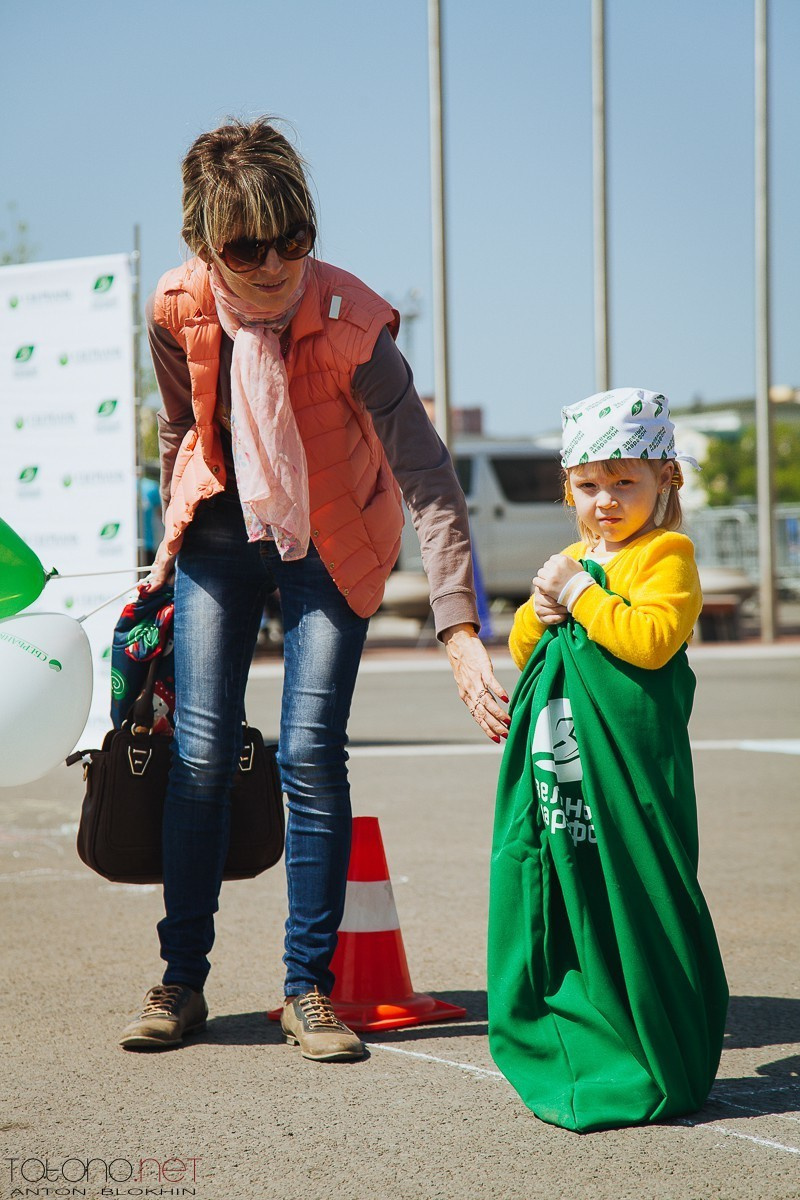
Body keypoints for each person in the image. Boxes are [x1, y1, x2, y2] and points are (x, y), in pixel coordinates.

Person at [119, 117, 509, 1059]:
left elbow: (427, 477)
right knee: (202, 755)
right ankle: (181, 980)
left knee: (308, 749)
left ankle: (308, 989)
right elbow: (182, 426)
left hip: (334, 533)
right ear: (201, 245)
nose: (275, 264)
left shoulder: (354, 327)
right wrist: (165, 544)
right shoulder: (176, 309)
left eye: (294, 239)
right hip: (217, 527)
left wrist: (459, 627)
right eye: (246, 249)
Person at [488, 388, 728, 1132]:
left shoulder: (667, 554)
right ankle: (588, 1035)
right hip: (570, 764)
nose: (607, 502)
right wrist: (542, 607)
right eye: (589, 486)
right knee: (575, 894)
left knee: (645, 890)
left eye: (626, 482)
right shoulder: (571, 561)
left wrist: (582, 597)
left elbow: (653, 640)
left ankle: (663, 1047)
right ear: (569, 492)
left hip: (635, 773)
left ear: (666, 482)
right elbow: (527, 652)